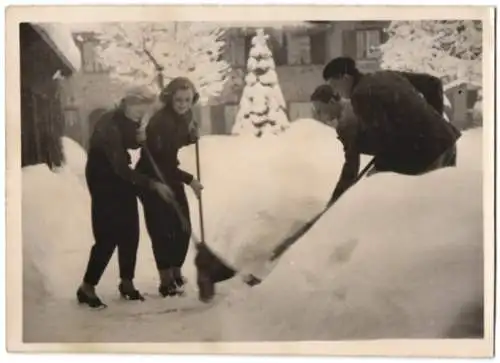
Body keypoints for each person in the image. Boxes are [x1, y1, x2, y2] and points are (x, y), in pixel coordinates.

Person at [77, 86, 175, 309]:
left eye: (144, 112)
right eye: (139, 110)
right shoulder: (108, 124)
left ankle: (126, 283)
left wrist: (139, 138)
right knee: (107, 236)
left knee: (131, 231)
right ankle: (87, 287)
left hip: (121, 180)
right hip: (104, 181)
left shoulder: (128, 119)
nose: (141, 115)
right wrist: (153, 184)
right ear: (128, 103)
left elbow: (129, 142)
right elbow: (120, 167)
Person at [320, 57, 461, 206]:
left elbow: (383, 137)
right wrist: (433, 122)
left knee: (393, 198)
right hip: (446, 142)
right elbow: (433, 83)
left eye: (334, 85)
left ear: (345, 77)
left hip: (427, 153)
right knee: (442, 205)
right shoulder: (385, 75)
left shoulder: (360, 94)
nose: (336, 92)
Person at [135, 77, 204, 298]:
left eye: (188, 100)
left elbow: (177, 142)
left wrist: (191, 137)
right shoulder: (161, 121)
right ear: (170, 98)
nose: (183, 104)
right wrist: (190, 180)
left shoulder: (184, 117)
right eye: (179, 100)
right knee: (162, 230)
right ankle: (166, 281)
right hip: (152, 178)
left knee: (182, 228)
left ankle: (175, 271)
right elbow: (162, 159)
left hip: (169, 174)